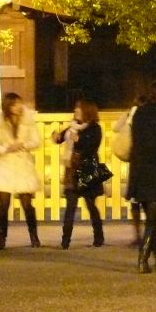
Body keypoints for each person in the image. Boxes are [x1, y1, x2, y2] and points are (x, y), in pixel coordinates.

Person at [0, 92, 41, 249]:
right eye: (15, 104)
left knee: (27, 204)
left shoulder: (28, 121)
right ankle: (1, 239)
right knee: (4, 204)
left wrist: (23, 145)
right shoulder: (0, 123)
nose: (19, 107)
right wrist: (6, 148)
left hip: (23, 163)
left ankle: (34, 236)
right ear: (9, 106)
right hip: (6, 165)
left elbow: (37, 141)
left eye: (20, 103)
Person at [51, 100, 107, 250]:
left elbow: (92, 147)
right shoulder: (72, 127)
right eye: (75, 108)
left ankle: (99, 237)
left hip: (87, 169)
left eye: (79, 108)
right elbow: (60, 138)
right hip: (71, 169)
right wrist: (56, 137)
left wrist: (80, 140)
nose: (75, 110)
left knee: (90, 205)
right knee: (70, 206)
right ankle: (65, 240)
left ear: (87, 111)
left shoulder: (95, 128)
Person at [127, 83, 156, 273]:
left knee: (150, 216)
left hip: (138, 169)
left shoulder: (138, 114)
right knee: (153, 220)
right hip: (155, 169)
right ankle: (143, 259)